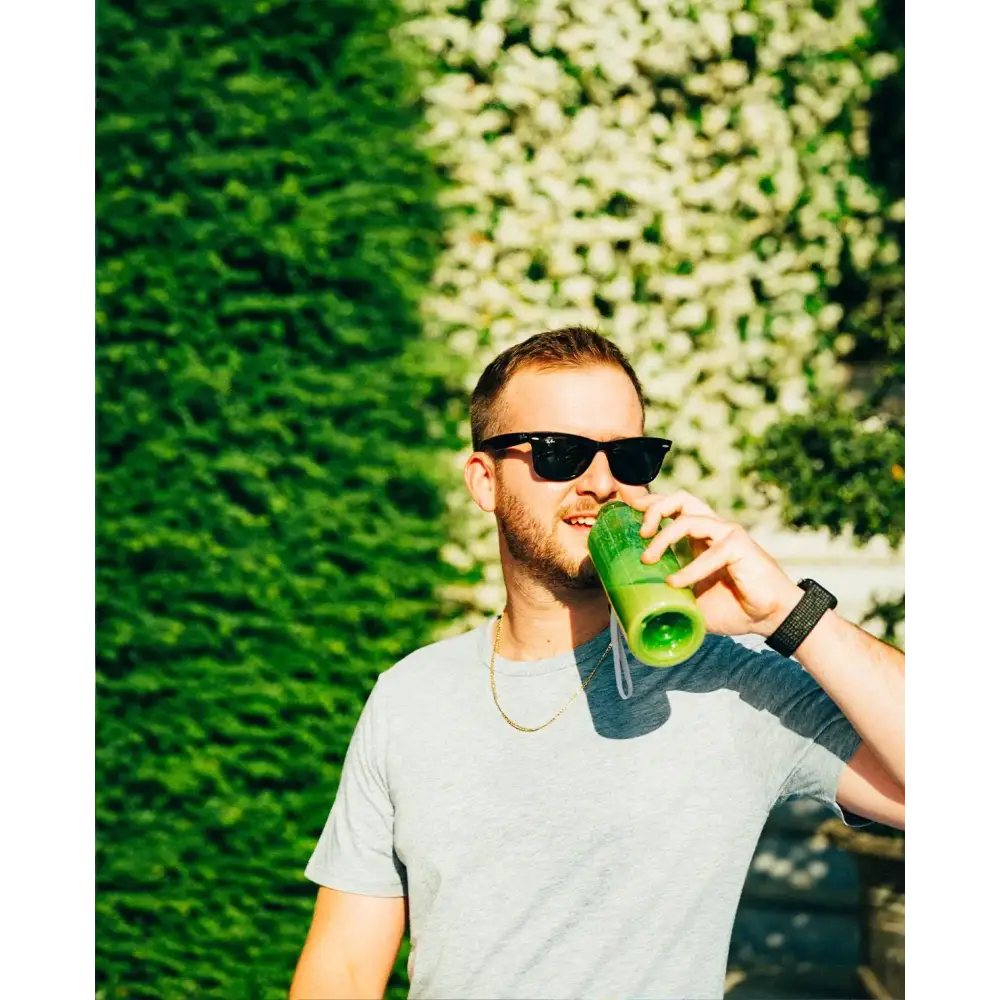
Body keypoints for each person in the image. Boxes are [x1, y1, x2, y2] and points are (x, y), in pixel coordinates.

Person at [288, 327, 907, 1000]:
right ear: (483, 479)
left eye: (631, 457)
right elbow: (343, 969)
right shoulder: (410, 698)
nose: (602, 481)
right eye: (558, 454)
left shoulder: (729, 679)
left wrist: (786, 614)